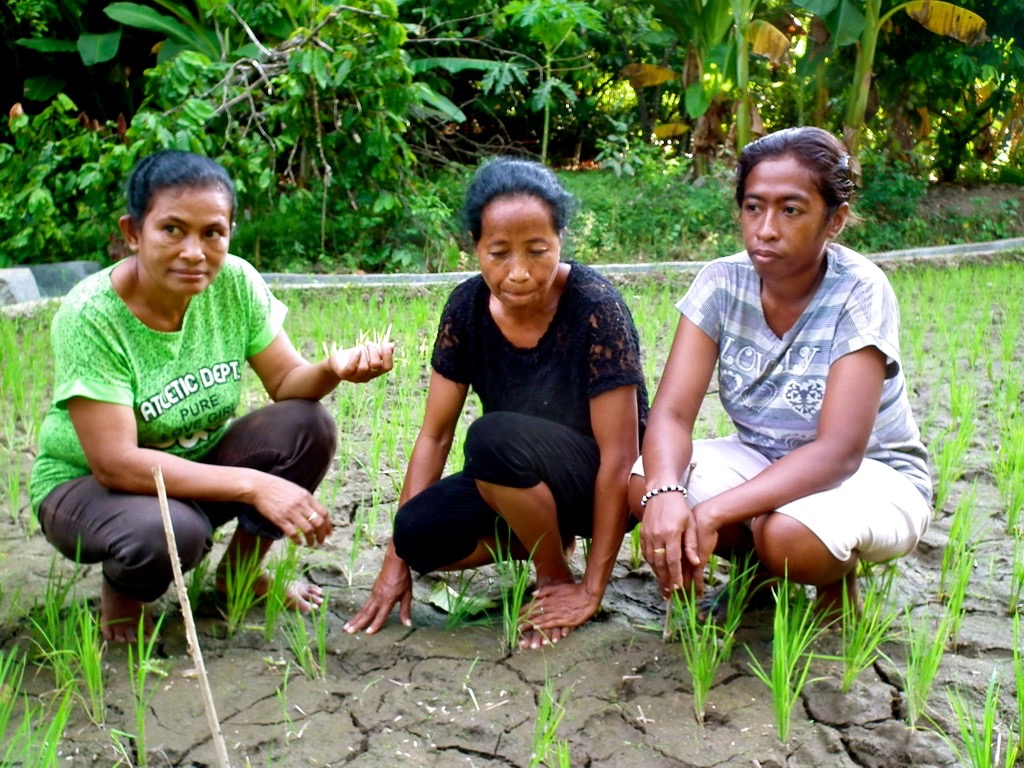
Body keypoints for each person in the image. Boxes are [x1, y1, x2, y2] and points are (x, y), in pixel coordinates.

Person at [29, 150, 395, 643]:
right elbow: (114, 463)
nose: (195, 252)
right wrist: (254, 485)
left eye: (212, 233)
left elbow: (288, 384)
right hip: (91, 488)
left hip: (188, 468)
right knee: (169, 533)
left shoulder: (235, 284)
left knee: (307, 426)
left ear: (229, 232)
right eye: (172, 230)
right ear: (133, 232)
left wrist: (333, 369)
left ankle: (239, 576)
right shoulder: (92, 315)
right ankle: (123, 593)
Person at [343, 157, 649, 649]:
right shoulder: (465, 309)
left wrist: (591, 589)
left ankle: (554, 577)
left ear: (561, 241)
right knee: (416, 533)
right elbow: (435, 434)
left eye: (537, 251)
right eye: (500, 253)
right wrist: (392, 566)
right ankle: (545, 539)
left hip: (597, 485)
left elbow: (621, 454)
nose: (520, 273)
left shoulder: (595, 306)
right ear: (475, 249)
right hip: (514, 476)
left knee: (491, 438)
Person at [629, 126, 931, 617]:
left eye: (791, 210)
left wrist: (715, 510)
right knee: (647, 484)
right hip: (760, 457)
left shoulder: (859, 290)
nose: (765, 228)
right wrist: (667, 493)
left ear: (835, 221)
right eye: (753, 207)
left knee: (786, 534)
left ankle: (835, 582)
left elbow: (838, 452)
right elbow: (672, 415)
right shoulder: (722, 282)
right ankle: (759, 574)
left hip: (870, 473)